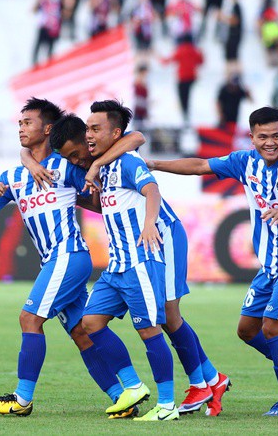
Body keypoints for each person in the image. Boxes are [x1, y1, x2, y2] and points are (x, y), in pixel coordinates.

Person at [48, 107, 230, 418]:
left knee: (168, 318)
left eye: (78, 153)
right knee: (161, 319)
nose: (78, 161)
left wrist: (147, 221)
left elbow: (137, 138)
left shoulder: (119, 155)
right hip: (126, 253)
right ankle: (210, 379)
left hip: (161, 235)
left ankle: (202, 383)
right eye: (72, 159)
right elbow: (103, 203)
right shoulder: (96, 164)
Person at [146, 106, 278, 416]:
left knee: (273, 329)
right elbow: (201, 165)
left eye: (276, 136)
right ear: (252, 137)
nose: (270, 142)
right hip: (269, 265)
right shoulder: (245, 161)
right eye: (263, 137)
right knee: (247, 330)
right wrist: (154, 164)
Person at [0, 98, 146, 417]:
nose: (21, 128)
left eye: (28, 123)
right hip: (55, 260)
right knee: (82, 333)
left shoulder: (66, 165)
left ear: (48, 128)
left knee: (29, 319)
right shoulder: (13, 175)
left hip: (69, 254)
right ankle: (125, 395)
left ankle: (21, 399)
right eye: (20, 123)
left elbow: (97, 194)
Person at [160, 39, 204, 124]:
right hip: (192, 77)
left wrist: (160, 58)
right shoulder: (194, 50)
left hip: (182, 77)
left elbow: (167, 61)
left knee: (182, 95)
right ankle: (186, 111)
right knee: (187, 94)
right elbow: (201, 62)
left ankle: (184, 112)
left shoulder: (180, 50)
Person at [32, 0, 62, 64]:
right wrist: (39, 0)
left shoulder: (57, 2)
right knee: (38, 46)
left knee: (50, 48)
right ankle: (35, 62)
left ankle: (49, 63)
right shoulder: (42, 2)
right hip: (43, 27)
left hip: (53, 28)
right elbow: (34, 11)